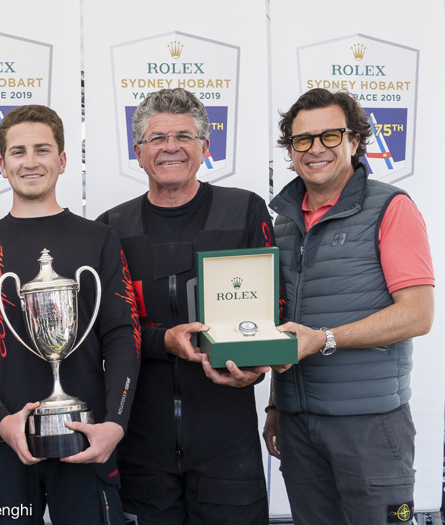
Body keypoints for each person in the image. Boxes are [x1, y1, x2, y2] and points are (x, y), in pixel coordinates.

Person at [0, 105, 140, 524]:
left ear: (63, 160)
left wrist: (115, 423)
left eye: (42, 150)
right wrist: (1, 422)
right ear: (1, 163)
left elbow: (123, 336)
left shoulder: (100, 239)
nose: (30, 162)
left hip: (87, 437)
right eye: (17, 152)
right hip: (1, 441)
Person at [95, 87, 273, 523]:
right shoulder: (110, 228)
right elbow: (106, 331)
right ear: (138, 152)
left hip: (228, 445)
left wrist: (255, 366)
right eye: (157, 138)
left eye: (184, 136)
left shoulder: (245, 211)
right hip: (142, 445)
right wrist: (165, 342)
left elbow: (272, 311)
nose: (170, 147)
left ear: (205, 148)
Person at [266, 88, 434, 525]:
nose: (316, 148)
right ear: (290, 149)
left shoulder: (391, 208)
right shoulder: (283, 223)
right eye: (302, 139)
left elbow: (418, 313)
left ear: (355, 141)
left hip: (370, 424)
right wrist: (273, 407)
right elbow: (282, 324)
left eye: (330, 135)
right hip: (297, 423)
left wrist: (325, 340)